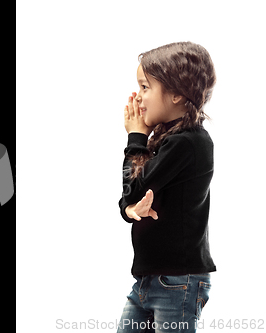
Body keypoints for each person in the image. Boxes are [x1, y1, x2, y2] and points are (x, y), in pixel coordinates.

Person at [117, 42, 217, 333]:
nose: (138, 96)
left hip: (177, 282)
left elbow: (135, 188)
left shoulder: (188, 142)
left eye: (145, 87)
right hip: (149, 279)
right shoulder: (166, 141)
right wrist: (130, 210)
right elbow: (129, 199)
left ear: (177, 94)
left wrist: (136, 137)